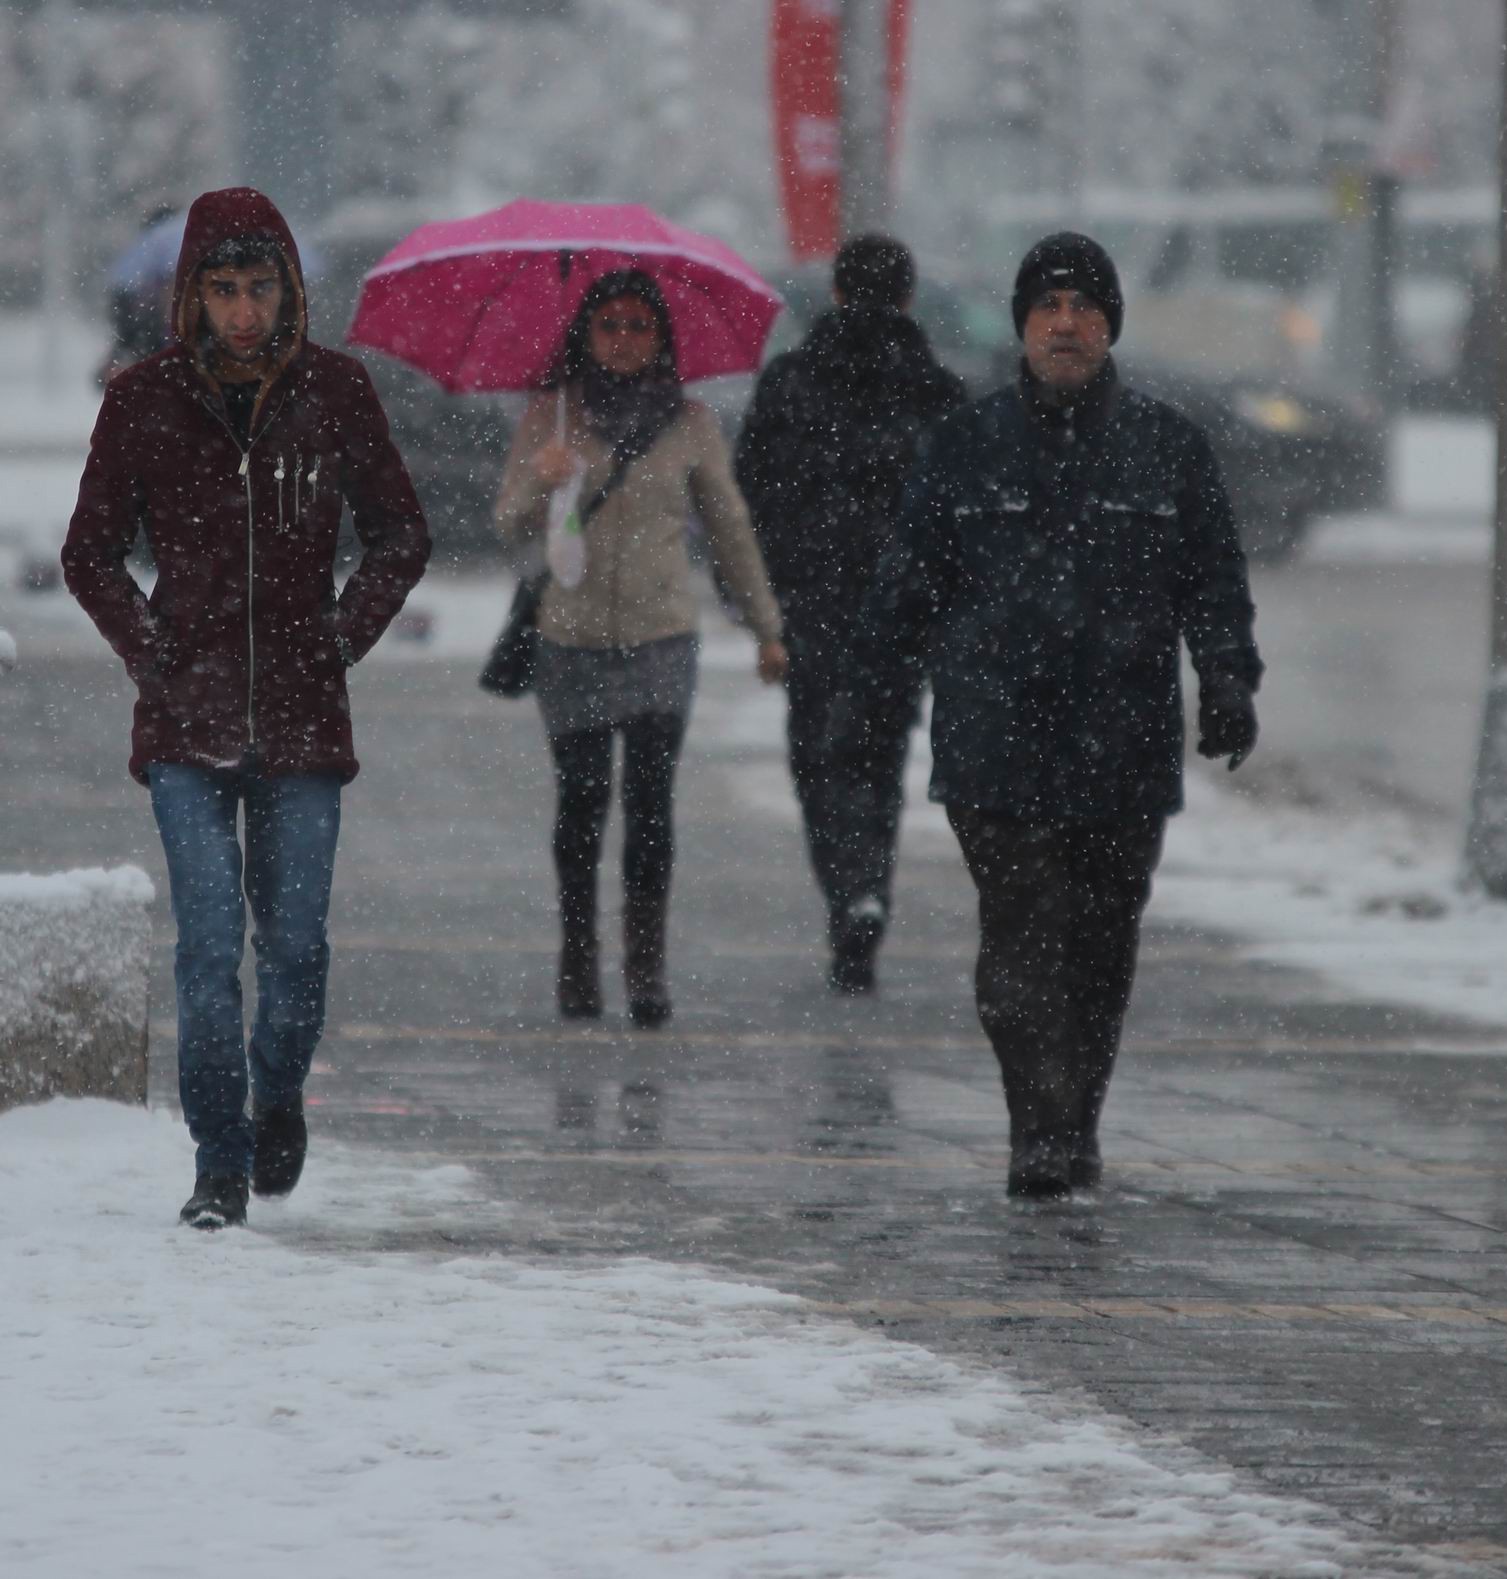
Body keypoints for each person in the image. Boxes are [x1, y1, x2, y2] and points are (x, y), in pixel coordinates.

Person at [848, 232, 1262, 1199]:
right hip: (997, 740)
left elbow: (1213, 581)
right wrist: (871, 694)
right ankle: (1036, 1122)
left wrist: (1230, 679)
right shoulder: (963, 444)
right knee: (1022, 938)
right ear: (1022, 326)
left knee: (1103, 940)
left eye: (1084, 308)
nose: (1065, 324)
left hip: (1124, 741)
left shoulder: (1168, 446)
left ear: (1110, 327)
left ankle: (1076, 1118)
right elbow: (908, 583)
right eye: (1048, 308)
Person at [62, 186, 433, 1230]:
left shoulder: (337, 393)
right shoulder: (142, 399)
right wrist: (151, 648)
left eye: (257, 286)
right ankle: (217, 1159)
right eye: (221, 289)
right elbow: (87, 554)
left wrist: (340, 632)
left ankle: (279, 1092)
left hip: (304, 719)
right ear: (191, 295)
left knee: (297, 943)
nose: (240, 309)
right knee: (207, 942)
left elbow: (400, 532)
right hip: (186, 717)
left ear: (288, 290)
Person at [493, 269, 787, 1028]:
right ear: (585, 336)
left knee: (651, 806)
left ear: (661, 338)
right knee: (583, 800)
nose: (623, 341)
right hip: (572, 638)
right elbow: (509, 524)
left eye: (638, 326)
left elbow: (730, 528)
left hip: (662, 637)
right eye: (609, 326)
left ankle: (646, 962)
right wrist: (540, 478)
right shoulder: (551, 417)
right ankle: (578, 954)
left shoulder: (690, 422)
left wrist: (766, 628)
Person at [735, 234, 967, 993]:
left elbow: (748, 498)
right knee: (880, 754)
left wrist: (760, 597)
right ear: (907, 296)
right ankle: (867, 890)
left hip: (811, 599)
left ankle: (845, 889)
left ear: (834, 293)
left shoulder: (790, 383)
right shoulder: (937, 390)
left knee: (819, 756)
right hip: (902, 607)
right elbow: (963, 510)